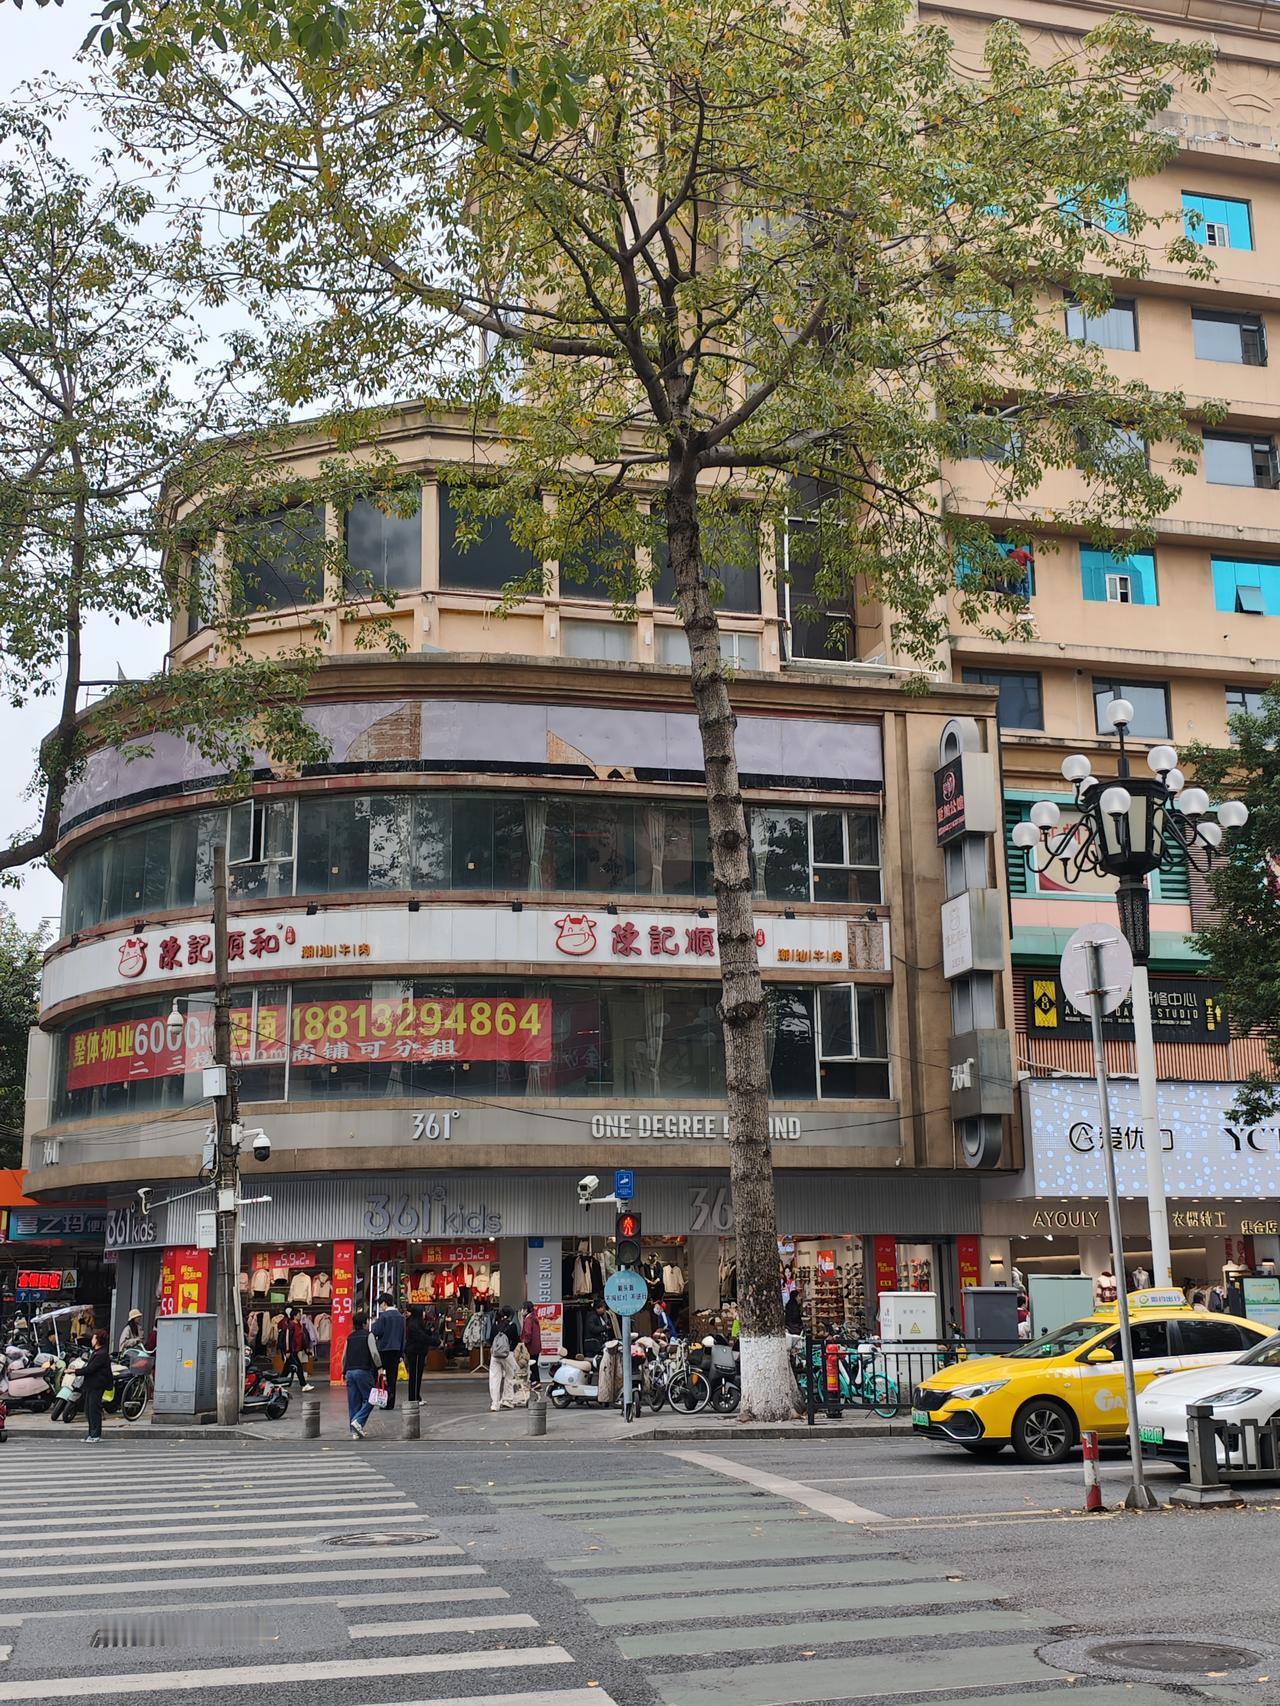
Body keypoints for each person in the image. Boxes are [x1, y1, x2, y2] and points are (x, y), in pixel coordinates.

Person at [343, 1309, 381, 1439]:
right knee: (372, 1398)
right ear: (364, 1323)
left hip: (350, 1372)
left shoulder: (349, 1337)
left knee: (354, 1402)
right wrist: (379, 1367)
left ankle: (355, 1432)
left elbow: (344, 1356)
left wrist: (344, 1371)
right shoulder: (368, 1335)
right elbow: (374, 1353)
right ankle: (358, 1421)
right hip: (363, 1370)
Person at [372, 1293, 405, 1410]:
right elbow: (403, 1336)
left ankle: (380, 1400)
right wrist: (401, 1353)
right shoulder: (400, 1317)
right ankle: (390, 1403)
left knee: (378, 1375)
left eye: (380, 1304)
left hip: (383, 1349)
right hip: (396, 1350)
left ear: (384, 1303)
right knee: (392, 1378)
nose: (380, 1307)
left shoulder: (384, 1317)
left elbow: (376, 1332)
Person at [81, 1330, 113, 1444]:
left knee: (94, 1409)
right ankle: (91, 1433)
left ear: (98, 1340)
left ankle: (95, 1434)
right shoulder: (96, 1352)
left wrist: (74, 1371)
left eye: (93, 1338)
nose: (92, 1340)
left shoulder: (101, 1354)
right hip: (91, 1385)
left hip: (97, 1385)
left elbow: (90, 1369)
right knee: (88, 1410)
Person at [278, 1306, 314, 1392]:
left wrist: (306, 1349)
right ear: (294, 1316)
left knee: (287, 1369)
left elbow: (302, 1338)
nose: (300, 1316)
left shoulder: (299, 1325)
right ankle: (303, 1384)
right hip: (291, 1350)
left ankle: (279, 1384)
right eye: (298, 1314)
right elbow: (287, 1338)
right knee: (298, 1366)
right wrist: (287, 1350)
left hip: (295, 1350)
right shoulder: (290, 1325)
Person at [488, 1307, 516, 1411]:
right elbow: (515, 1340)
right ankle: (507, 1400)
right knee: (509, 1376)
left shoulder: (495, 1325)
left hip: (495, 1355)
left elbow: (490, 1339)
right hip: (508, 1355)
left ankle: (495, 1404)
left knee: (494, 1379)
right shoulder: (512, 1326)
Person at [404, 1305, 432, 1404]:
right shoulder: (414, 1324)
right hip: (415, 1352)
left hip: (417, 1352)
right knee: (415, 1375)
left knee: (417, 1375)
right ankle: (414, 1398)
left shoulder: (416, 1323)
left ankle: (416, 1396)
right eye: (423, 1311)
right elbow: (421, 1336)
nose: (424, 1313)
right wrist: (434, 1341)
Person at [519, 1301, 542, 1388]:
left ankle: (535, 1381)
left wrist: (524, 1343)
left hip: (531, 1347)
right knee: (534, 1364)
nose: (522, 1311)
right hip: (536, 1346)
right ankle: (536, 1381)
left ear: (526, 1309)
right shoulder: (534, 1317)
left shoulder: (528, 1319)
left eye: (523, 1309)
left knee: (532, 1364)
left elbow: (528, 1333)